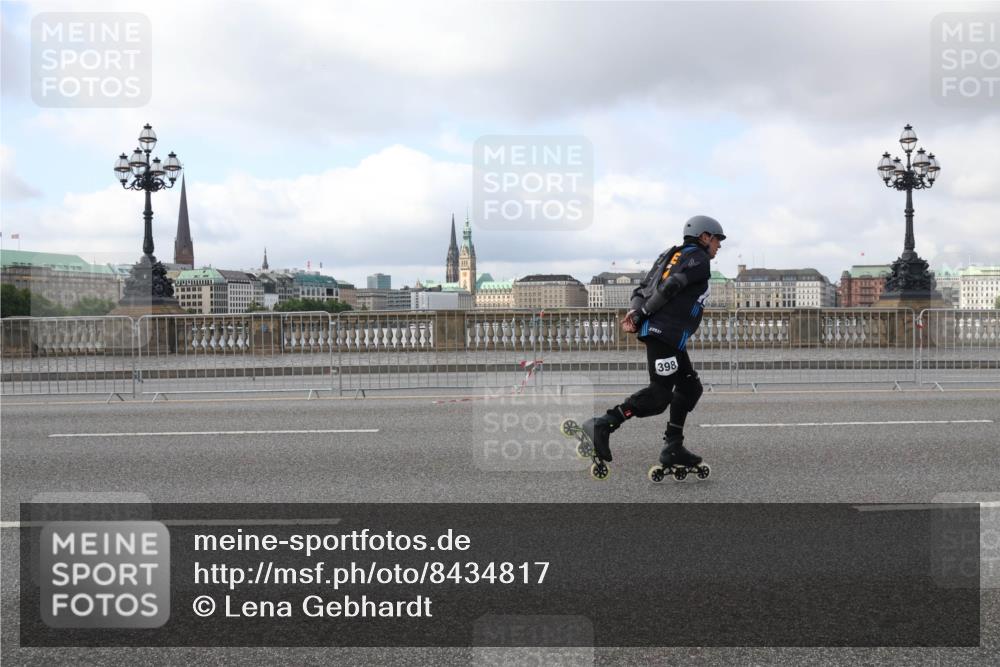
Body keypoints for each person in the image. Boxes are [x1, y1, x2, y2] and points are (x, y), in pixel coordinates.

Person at [583, 215, 725, 471]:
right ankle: (603, 424)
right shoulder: (700, 260)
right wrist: (641, 314)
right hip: (665, 333)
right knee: (659, 396)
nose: (719, 246)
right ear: (705, 237)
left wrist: (636, 311)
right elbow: (671, 286)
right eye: (717, 239)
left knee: (690, 388)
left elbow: (642, 289)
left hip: (669, 337)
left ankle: (673, 446)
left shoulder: (668, 255)